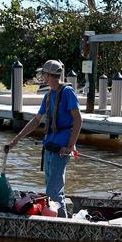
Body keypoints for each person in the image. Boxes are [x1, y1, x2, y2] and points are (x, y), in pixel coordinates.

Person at [7, 59, 82, 217]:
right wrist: (16, 139)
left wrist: (70, 146)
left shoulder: (67, 92)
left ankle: (61, 226)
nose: (43, 77)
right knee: (53, 191)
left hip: (61, 150)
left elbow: (78, 119)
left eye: (44, 74)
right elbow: (36, 121)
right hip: (49, 148)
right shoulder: (49, 95)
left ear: (49, 75)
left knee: (53, 193)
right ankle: (62, 223)